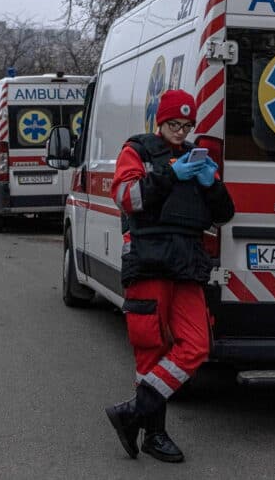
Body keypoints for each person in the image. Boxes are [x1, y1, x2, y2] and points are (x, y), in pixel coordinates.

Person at [105, 89, 235, 463]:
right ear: (159, 122)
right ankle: (154, 434)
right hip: (149, 260)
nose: (180, 131)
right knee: (150, 348)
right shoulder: (138, 151)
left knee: (196, 346)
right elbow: (127, 198)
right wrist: (168, 173)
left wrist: (212, 183)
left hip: (187, 264)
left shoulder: (198, 158)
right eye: (174, 124)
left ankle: (132, 413)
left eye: (187, 125)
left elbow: (224, 214)